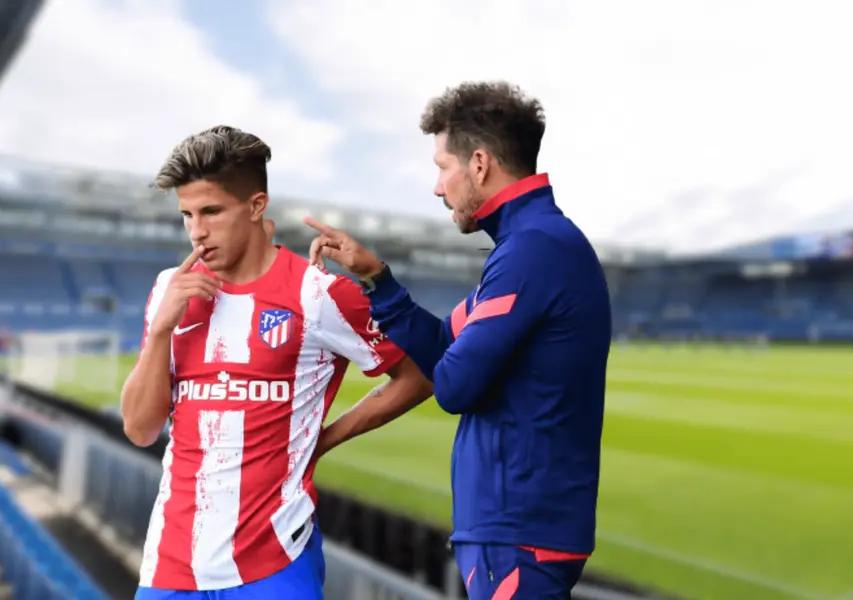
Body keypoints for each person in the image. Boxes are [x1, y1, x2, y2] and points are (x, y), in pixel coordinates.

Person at [305, 81, 611, 599]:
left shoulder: (533, 251)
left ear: (479, 163)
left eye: (442, 167)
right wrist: (378, 278)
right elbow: (445, 341)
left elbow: (453, 385)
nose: (437, 186)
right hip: (516, 531)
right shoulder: (528, 246)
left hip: (519, 533)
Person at [121, 125, 432, 599]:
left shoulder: (318, 294)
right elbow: (140, 430)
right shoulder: (170, 290)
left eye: (211, 212)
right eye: (186, 215)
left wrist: (324, 440)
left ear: (256, 206)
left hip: (274, 565)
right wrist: (161, 329)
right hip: (169, 567)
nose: (197, 231)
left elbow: (419, 374)